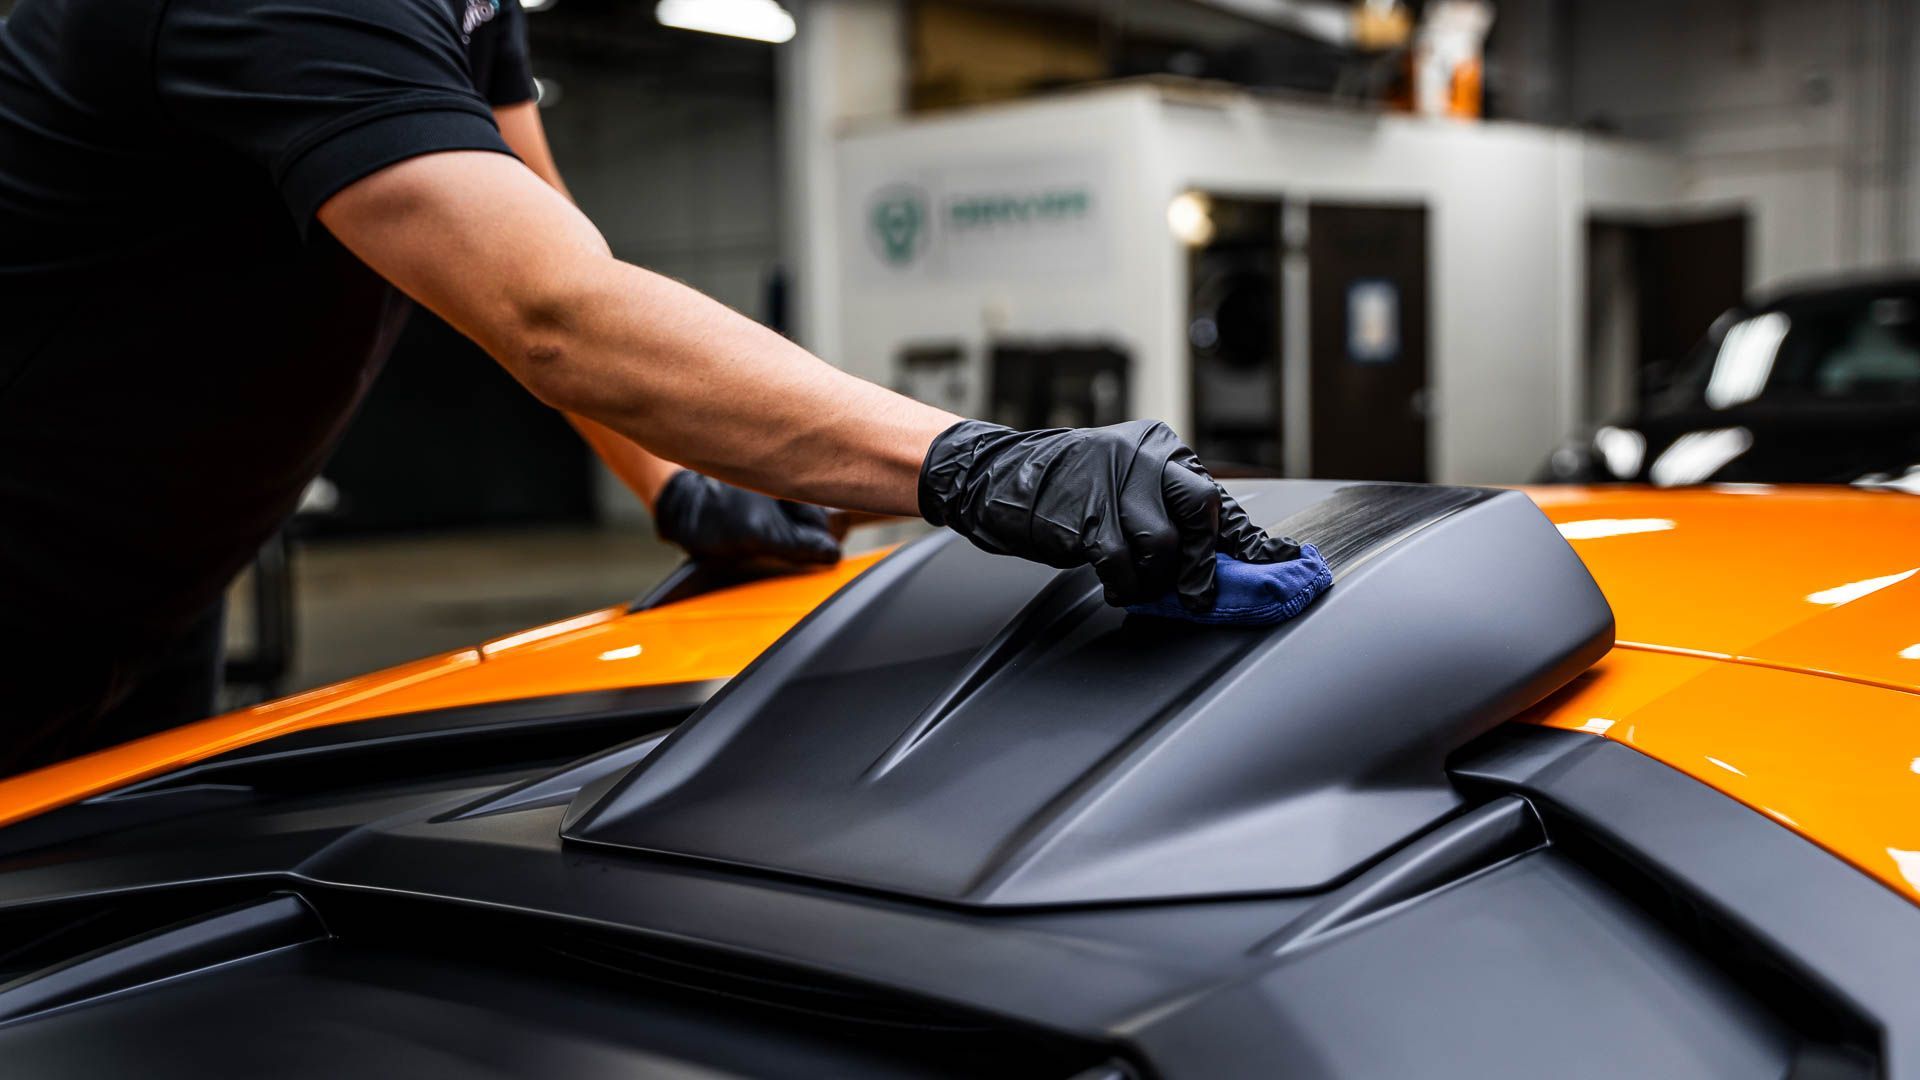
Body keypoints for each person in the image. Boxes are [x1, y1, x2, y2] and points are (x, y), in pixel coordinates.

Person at [0, 0, 1292, 774]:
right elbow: (547, 313)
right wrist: (985, 466)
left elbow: (546, 224)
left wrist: (678, 484)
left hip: (153, 591)